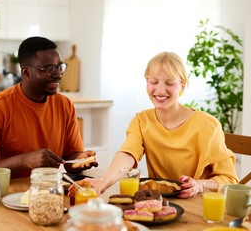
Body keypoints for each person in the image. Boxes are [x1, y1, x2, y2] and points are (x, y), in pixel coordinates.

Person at [83, 51, 238, 198]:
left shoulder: (207, 126)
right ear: (146, 83)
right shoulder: (141, 120)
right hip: (157, 202)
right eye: (154, 82)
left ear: (183, 86)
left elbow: (230, 180)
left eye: (169, 83)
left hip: (198, 206)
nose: (160, 90)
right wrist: (104, 181)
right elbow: (127, 154)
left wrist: (199, 185)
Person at [0, 36, 97, 182]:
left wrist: (80, 160)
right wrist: (24, 161)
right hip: (5, 195)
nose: (58, 75)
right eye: (48, 69)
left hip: (49, 193)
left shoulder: (65, 105)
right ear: (26, 72)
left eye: (60, 67)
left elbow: (70, 159)